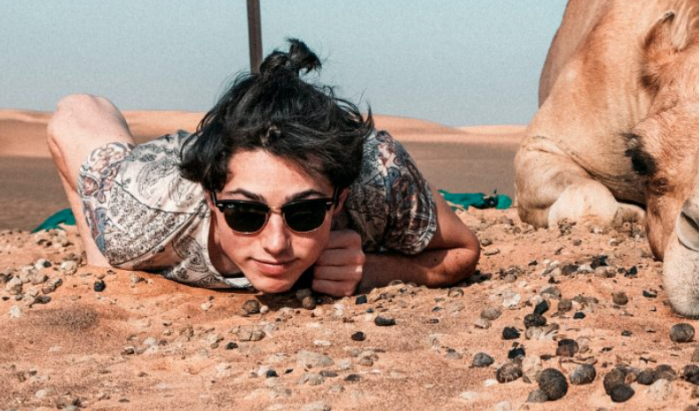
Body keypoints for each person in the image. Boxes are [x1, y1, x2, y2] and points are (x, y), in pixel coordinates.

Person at [46, 39, 480, 296]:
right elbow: (74, 114)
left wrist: (372, 269)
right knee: (111, 265)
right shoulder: (141, 211)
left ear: (340, 199)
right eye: (245, 214)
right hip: (162, 180)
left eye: (304, 214)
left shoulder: (380, 178)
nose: (276, 244)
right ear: (211, 199)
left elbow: (464, 251)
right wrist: (101, 258)